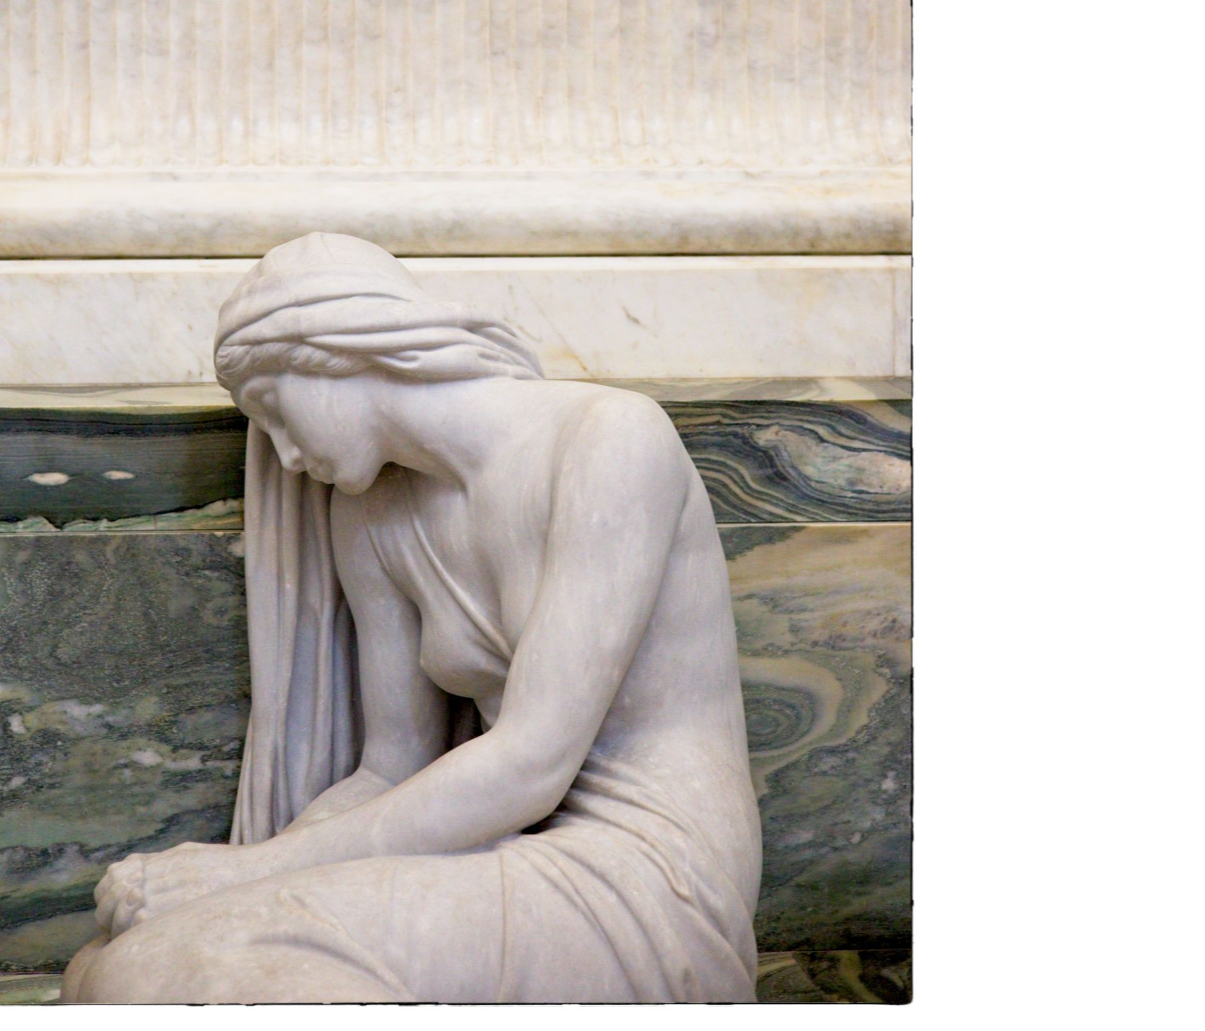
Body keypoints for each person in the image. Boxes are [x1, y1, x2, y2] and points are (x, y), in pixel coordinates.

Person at [63, 233, 761, 1004]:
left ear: (339, 352)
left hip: (650, 877)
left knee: (176, 970)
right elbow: (389, 770)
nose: (286, 457)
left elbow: (532, 764)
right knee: (108, 965)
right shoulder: (371, 515)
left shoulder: (609, 440)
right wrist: (233, 881)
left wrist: (248, 873)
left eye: (276, 411)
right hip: (509, 851)